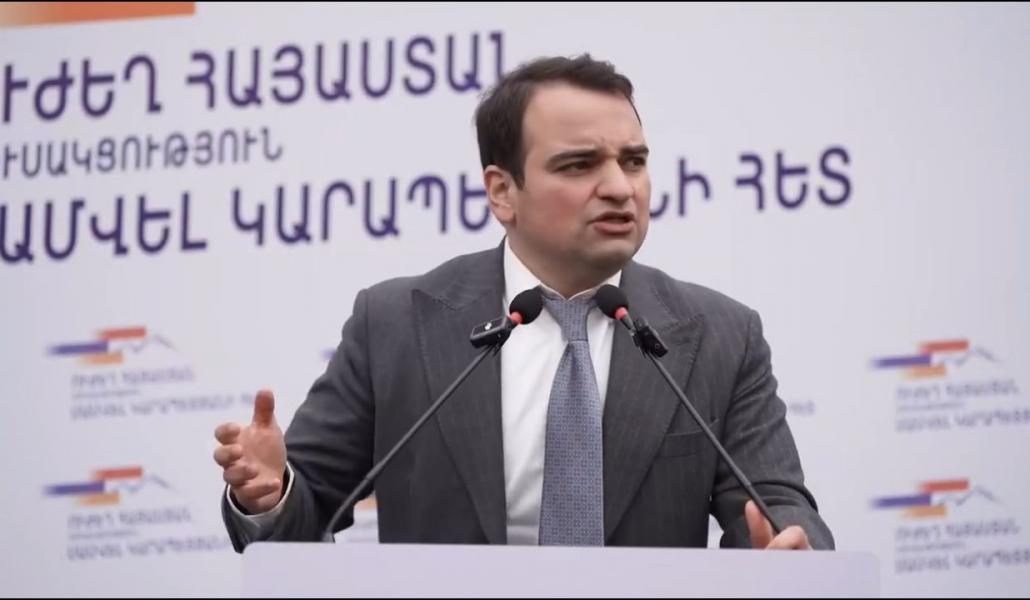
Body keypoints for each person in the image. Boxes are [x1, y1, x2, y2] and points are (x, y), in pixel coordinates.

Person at [213, 54, 834, 551]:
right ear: (502, 192)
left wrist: (788, 550)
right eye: (579, 165)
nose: (620, 188)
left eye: (634, 161)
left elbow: (777, 506)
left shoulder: (721, 334)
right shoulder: (396, 324)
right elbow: (303, 513)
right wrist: (268, 495)